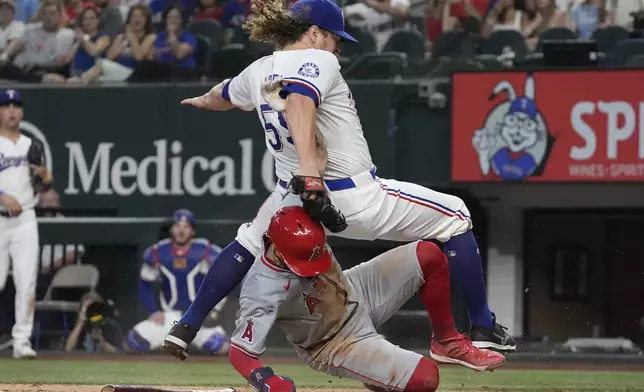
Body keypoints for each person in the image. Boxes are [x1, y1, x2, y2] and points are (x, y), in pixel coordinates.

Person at [164, 0, 515, 360]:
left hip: (292, 204)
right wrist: (310, 175)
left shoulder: (259, 70)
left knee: (248, 242)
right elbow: (300, 101)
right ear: (314, 33)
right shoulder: (318, 59)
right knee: (456, 214)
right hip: (351, 197)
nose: (339, 48)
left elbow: (223, 95)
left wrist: (200, 100)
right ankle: (482, 326)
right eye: (335, 38)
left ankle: (187, 324)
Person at [227, 206, 505, 392]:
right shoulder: (260, 288)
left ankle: (447, 342)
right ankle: (379, 377)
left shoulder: (307, 218)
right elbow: (240, 352)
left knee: (429, 255)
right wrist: (265, 380)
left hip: (356, 287)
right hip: (333, 341)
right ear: (273, 244)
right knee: (427, 378)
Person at [0, 89, 53, 359]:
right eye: (6, 105)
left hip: (26, 219)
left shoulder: (30, 144)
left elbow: (45, 184)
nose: (12, 110)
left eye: (16, 105)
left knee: (26, 281)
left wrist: (44, 175)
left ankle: (21, 341)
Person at [134, 209, 229, 355]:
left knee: (218, 345)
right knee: (135, 341)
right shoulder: (158, 251)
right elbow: (144, 283)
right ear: (171, 229)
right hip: (169, 318)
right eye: (178, 226)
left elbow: (223, 280)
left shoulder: (205, 250)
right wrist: (153, 311)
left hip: (197, 317)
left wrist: (214, 310)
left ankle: (183, 346)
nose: (181, 230)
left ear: (192, 231)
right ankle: (175, 346)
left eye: (186, 226)